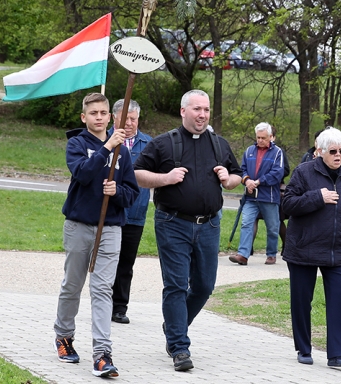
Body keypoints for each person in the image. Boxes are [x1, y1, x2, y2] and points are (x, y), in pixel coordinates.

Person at [133, 90, 242, 372]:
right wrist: (165, 178)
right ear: (183, 111)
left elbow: (236, 177)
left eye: (206, 110)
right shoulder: (164, 144)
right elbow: (137, 174)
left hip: (209, 225)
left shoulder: (219, 144)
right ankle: (179, 347)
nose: (202, 115)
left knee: (204, 286)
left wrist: (228, 179)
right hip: (173, 224)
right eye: (196, 109)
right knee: (176, 285)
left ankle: (173, 324)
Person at [54, 93, 139, 378]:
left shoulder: (123, 153)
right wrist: (106, 147)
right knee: (73, 285)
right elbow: (83, 174)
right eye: (94, 113)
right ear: (84, 117)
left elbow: (131, 194)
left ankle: (102, 354)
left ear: (110, 117)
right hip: (79, 224)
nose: (99, 117)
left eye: (103, 112)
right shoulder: (77, 144)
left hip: (111, 228)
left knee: (102, 289)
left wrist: (117, 193)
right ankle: (64, 337)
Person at [282, 127, 341, 368]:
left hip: (339, 249)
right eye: (333, 151)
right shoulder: (304, 172)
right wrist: (317, 197)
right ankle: (303, 348)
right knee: (302, 300)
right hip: (305, 247)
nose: (339, 155)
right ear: (320, 152)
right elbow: (287, 205)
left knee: (339, 300)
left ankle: (337, 354)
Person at [109, 99, 153, 325]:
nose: (129, 124)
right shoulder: (103, 139)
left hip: (135, 213)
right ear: (114, 118)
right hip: (107, 213)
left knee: (126, 262)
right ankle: (102, 303)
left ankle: (119, 307)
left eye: (134, 119)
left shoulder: (148, 143)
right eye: (125, 118)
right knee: (107, 260)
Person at [228, 122, 285, 266]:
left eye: (263, 138)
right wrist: (247, 181)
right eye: (258, 137)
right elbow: (242, 170)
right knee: (246, 223)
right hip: (251, 196)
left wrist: (259, 181)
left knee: (273, 227)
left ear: (271, 137)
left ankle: (271, 254)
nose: (260, 140)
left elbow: (277, 173)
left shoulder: (278, 152)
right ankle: (243, 254)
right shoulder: (249, 151)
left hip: (269, 197)